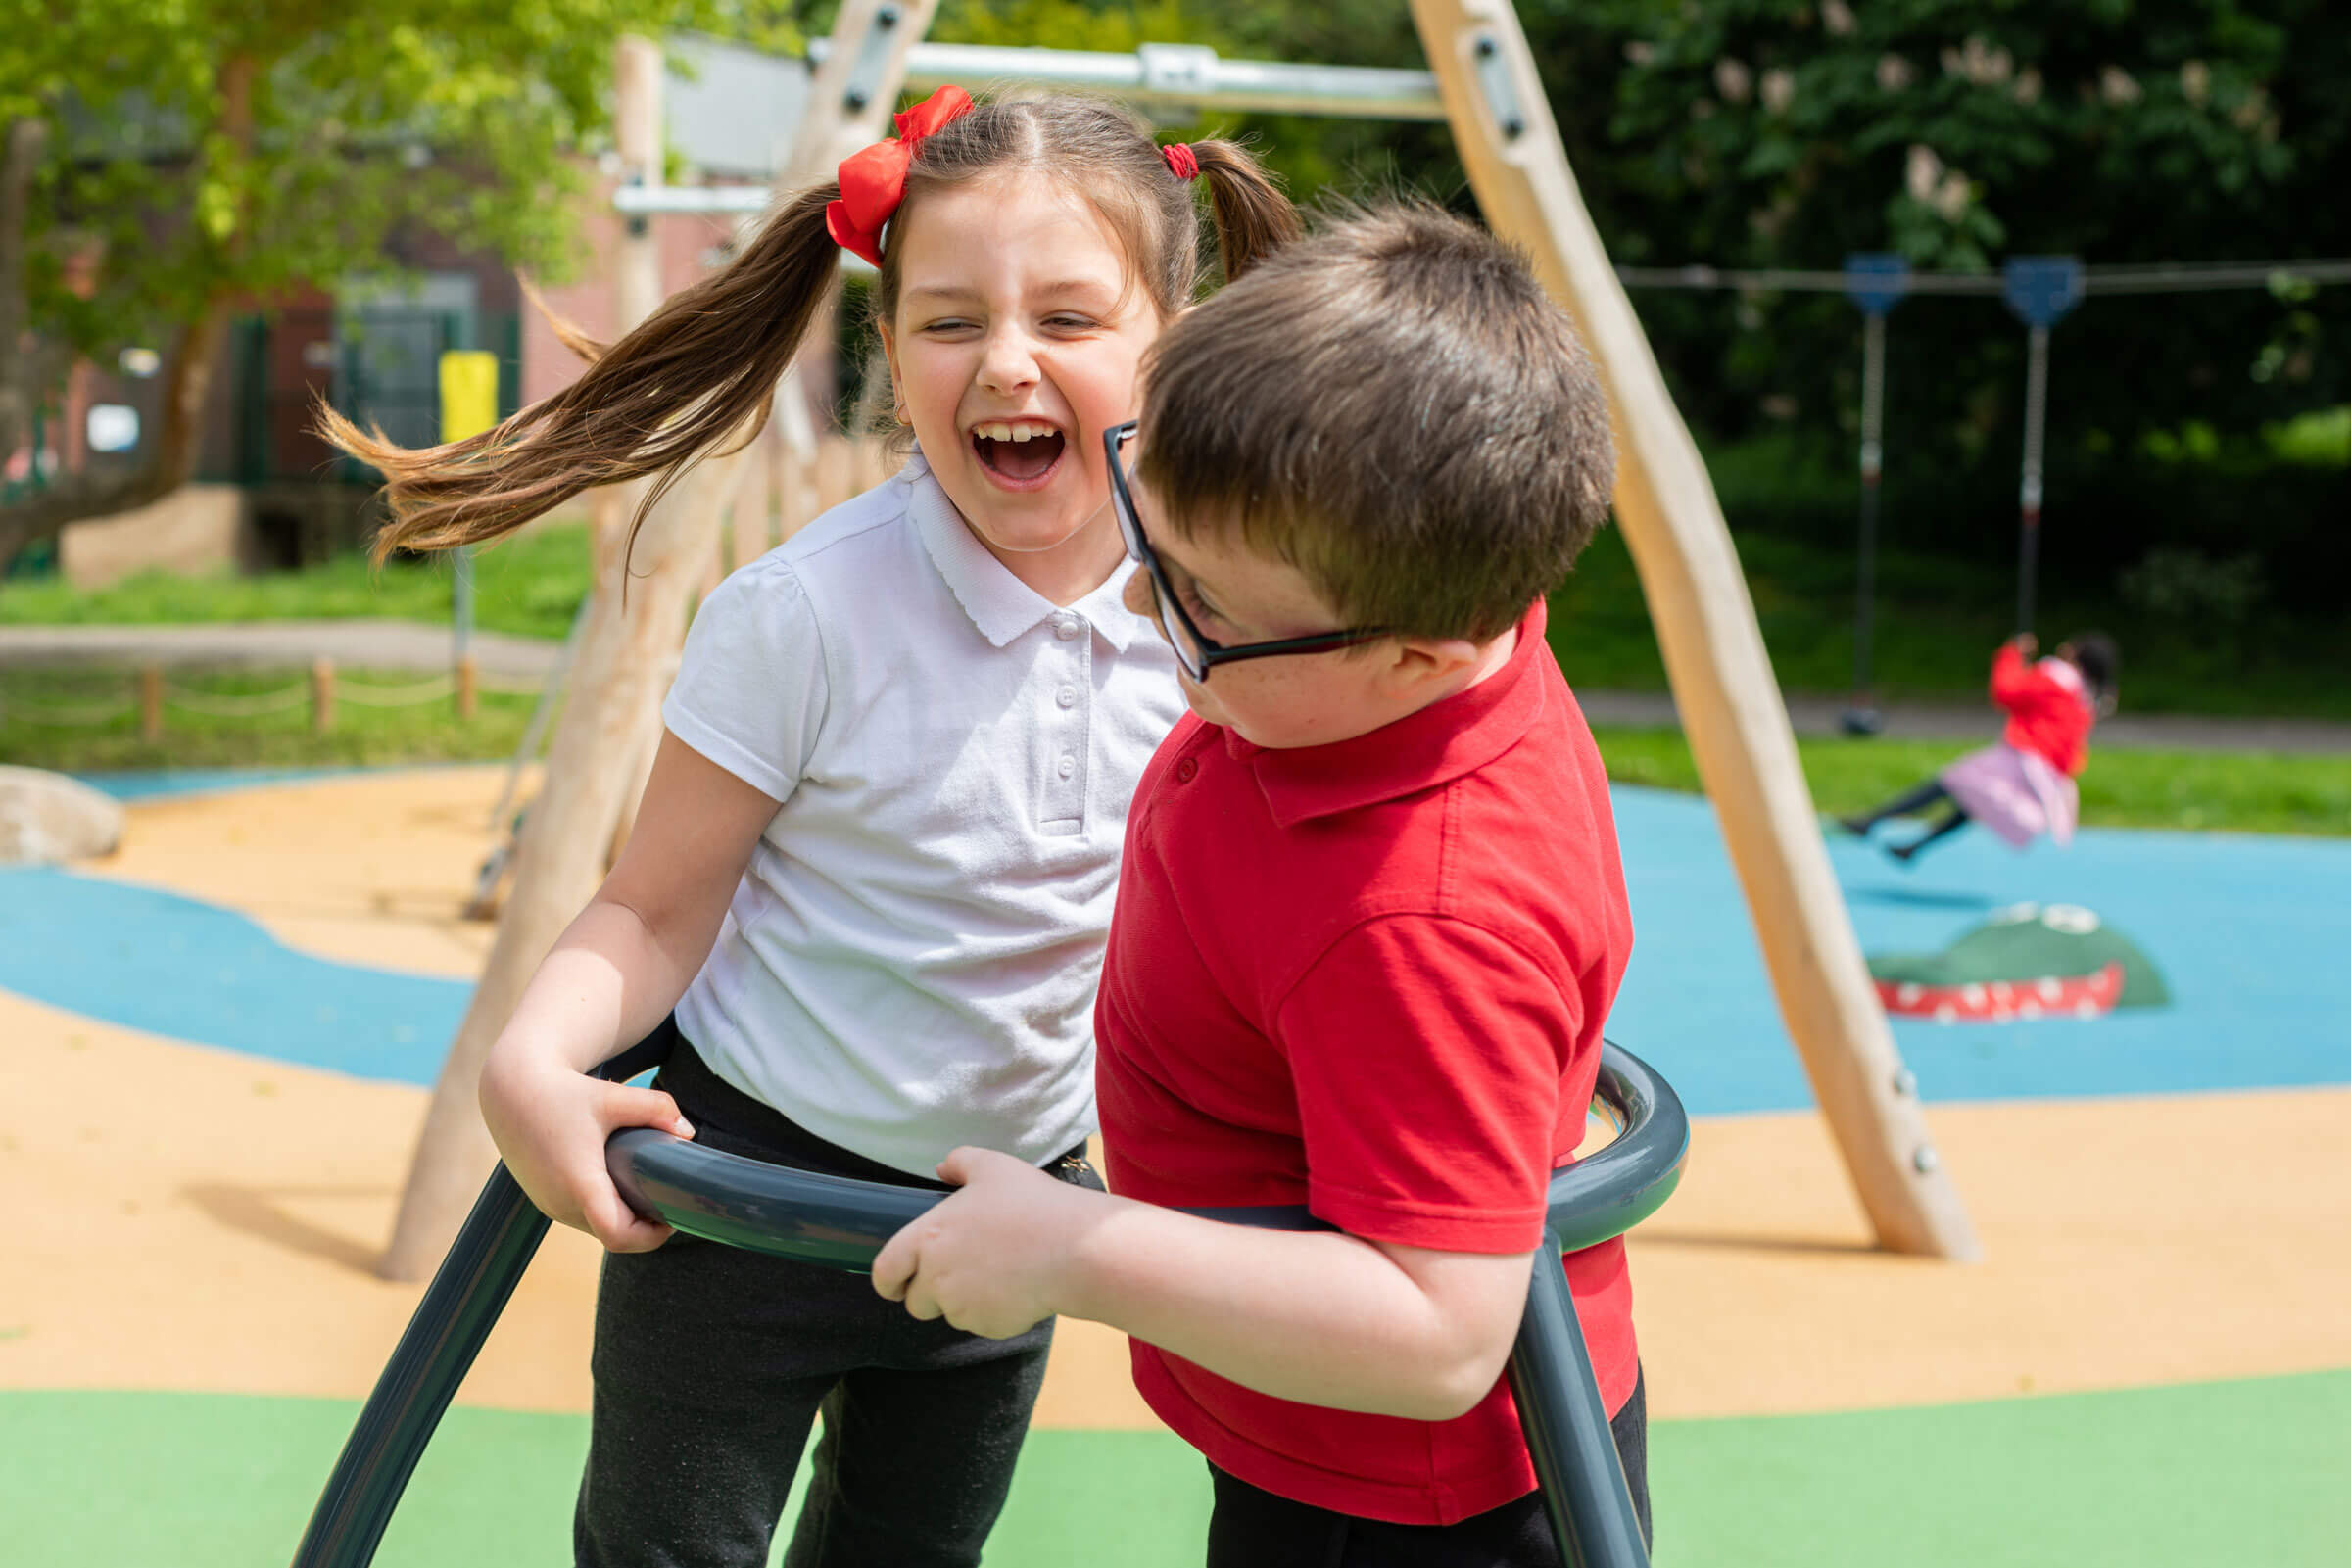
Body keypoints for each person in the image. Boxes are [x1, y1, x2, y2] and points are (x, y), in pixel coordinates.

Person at [322, 89, 1299, 1568]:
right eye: (949, 321)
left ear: (1176, 337)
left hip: (1000, 1212)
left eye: (1072, 319)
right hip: (747, 1201)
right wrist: (534, 1058)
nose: (1007, 364)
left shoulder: (1224, 614)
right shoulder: (808, 612)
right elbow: (653, 908)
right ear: (889, 350)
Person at [872, 202, 1646, 1568]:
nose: (1131, 609)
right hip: (1334, 1447)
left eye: (1201, 605)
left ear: (1416, 653)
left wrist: (1075, 1251)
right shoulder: (1411, 644)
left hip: (1410, 1505)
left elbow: (1438, 1329)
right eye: (1145, 533)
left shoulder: (1420, 916)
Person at [1841, 631, 2119, 863]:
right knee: (1973, 801)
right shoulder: (2085, 695)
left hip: (2023, 757)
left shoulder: (2055, 675)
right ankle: (1913, 845)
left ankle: (1874, 821)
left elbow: (2006, 692)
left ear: (2075, 654)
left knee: (1950, 783)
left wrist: (2011, 654)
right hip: (2045, 770)